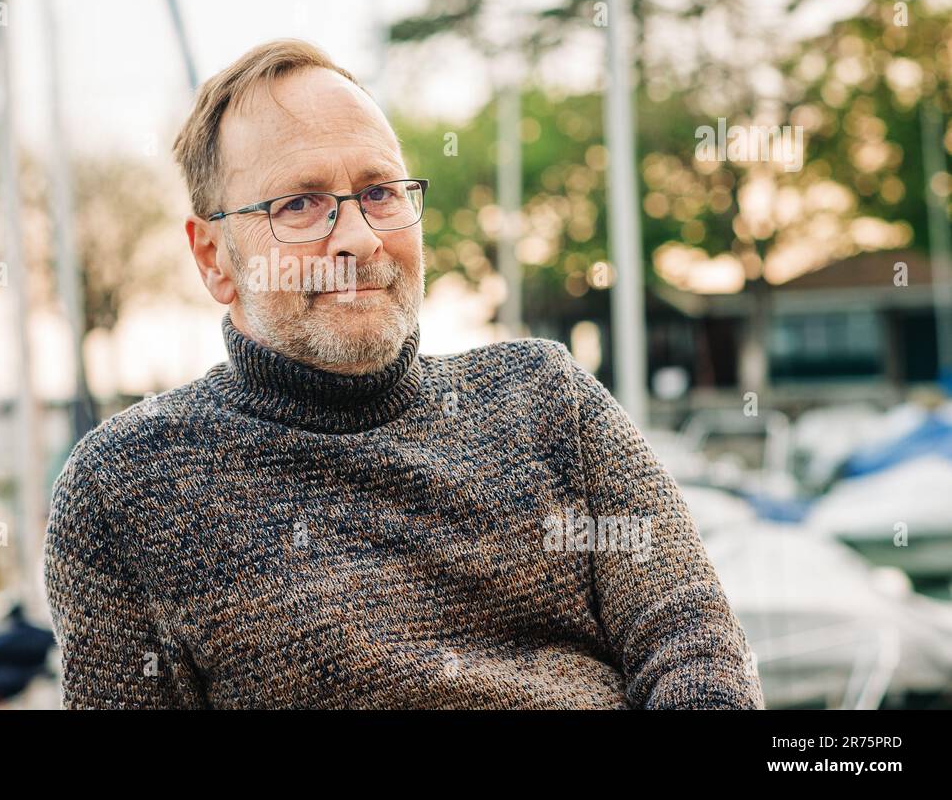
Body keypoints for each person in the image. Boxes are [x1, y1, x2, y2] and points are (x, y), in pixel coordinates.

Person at [42, 38, 764, 709]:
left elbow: (692, 645)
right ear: (213, 258)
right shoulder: (124, 489)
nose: (358, 237)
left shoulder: (548, 399)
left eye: (380, 192)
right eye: (301, 204)